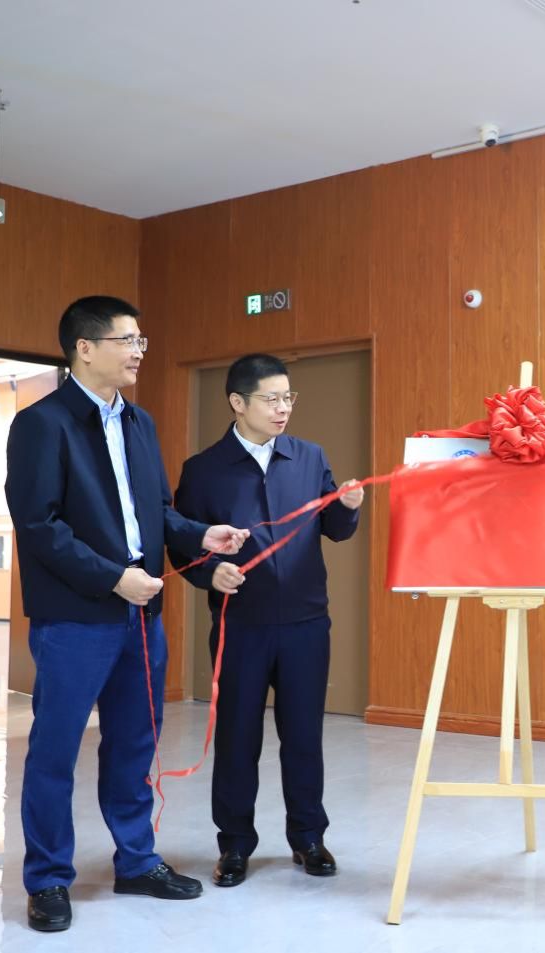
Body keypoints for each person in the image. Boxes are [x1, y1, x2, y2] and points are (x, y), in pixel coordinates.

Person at [5, 296, 249, 932]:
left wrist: (200, 534)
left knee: (135, 743)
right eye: (127, 340)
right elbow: (39, 526)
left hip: (141, 616)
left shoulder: (140, 423)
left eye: (141, 339)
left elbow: (158, 512)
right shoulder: (41, 424)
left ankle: (137, 861)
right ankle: (47, 879)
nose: (139, 350)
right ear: (85, 348)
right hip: (74, 618)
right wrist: (113, 577)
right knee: (55, 751)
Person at [172, 353, 363, 888]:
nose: (283, 409)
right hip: (241, 626)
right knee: (237, 739)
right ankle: (235, 845)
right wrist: (211, 573)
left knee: (303, 736)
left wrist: (348, 506)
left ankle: (309, 838)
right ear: (238, 402)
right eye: (271, 399)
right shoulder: (203, 470)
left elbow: (335, 529)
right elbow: (183, 546)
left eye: (288, 398)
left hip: (306, 623)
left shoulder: (308, 456)